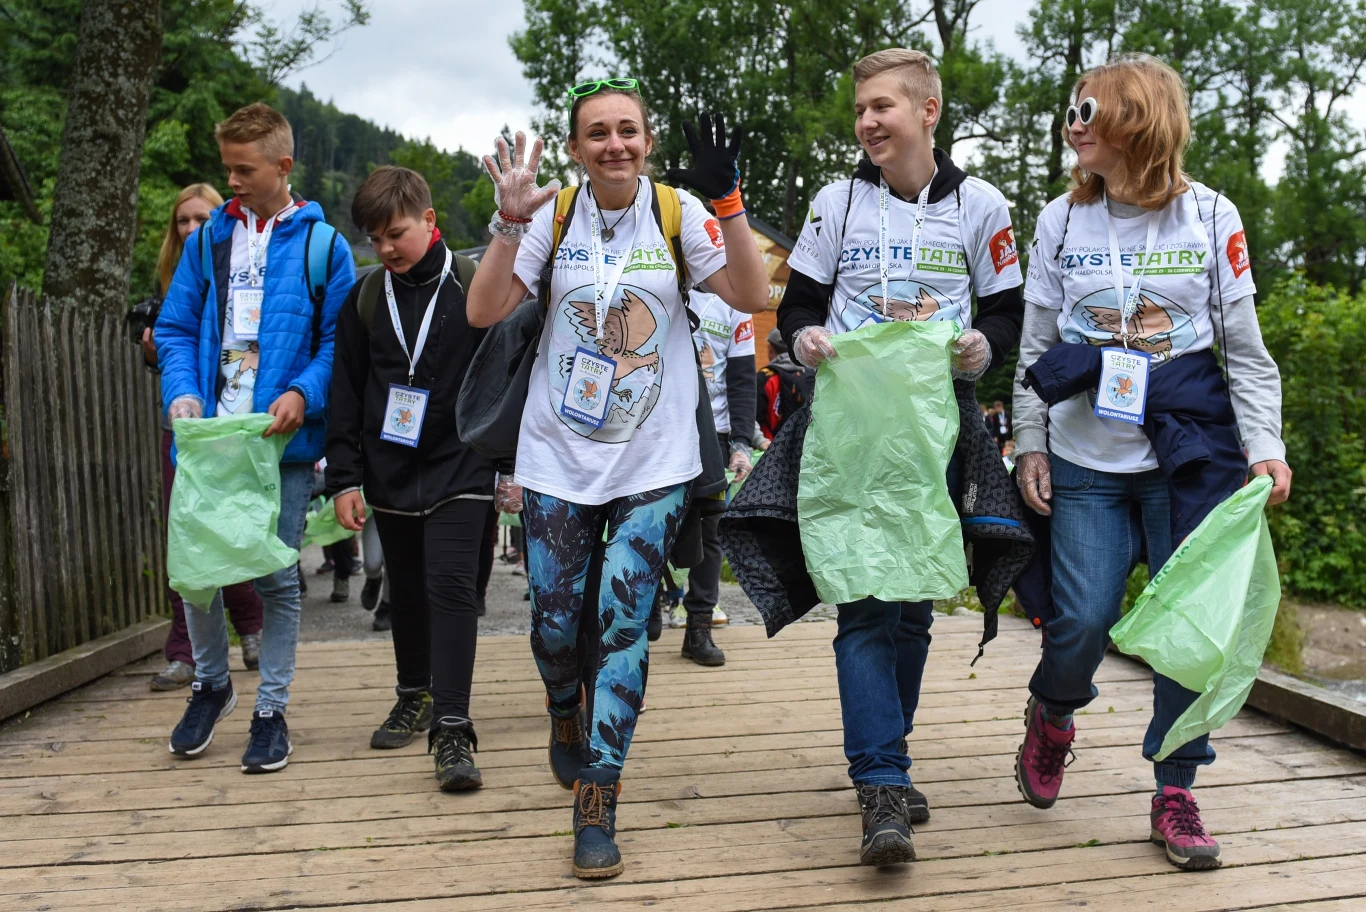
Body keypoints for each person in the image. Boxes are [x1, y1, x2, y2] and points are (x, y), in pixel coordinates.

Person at [467, 78, 768, 878]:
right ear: (575, 147)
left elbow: (750, 295)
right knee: (555, 624)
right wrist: (508, 222)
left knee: (624, 624)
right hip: (557, 456)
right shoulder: (553, 215)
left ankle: (598, 797)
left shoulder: (678, 212)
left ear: (648, 140)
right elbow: (484, 311)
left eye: (627, 130)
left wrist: (730, 203)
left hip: (654, 460)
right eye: (597, 132)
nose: (614, 144)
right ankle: (562, 709)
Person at [1012, 53, 1292, 871]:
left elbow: (1245, 350)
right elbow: (1036, 346)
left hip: (1189, 456)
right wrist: (1030, 442)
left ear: (1137, 120)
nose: (1073, 125)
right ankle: (1053, 710)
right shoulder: (1061, 221)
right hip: (1085, 457)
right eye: (1072, 110)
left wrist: (1266, 447)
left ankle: (1176, 788)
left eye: (1088, 111)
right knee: (1081, 621)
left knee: (1191, 628)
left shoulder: (1210, 215)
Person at [777, 49, 1024, 865]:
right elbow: (799, 304)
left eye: (882, 106)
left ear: (928, 110)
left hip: (937, 427)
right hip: (849, 428)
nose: (867, 122)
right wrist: (803, 339)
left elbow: (1010, 310)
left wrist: (983, 346)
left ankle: (891, 749)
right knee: (863, 598)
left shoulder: (982, 205)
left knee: (914, 603)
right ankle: (880, 783)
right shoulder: (836, 202)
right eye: (860, 111)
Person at [157, 102, 356, 773]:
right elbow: (175, 327)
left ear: (283, 165)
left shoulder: (324, 246)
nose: (232, 181)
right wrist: (182, 391)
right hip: (212, 438)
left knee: (275, 576)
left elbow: (339, 344)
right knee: (196, 571)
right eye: (227, 168)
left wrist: (303, 391)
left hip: (282, 443)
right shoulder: (207, 242)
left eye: (244, 169)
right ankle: (210, 684)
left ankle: (271, 710)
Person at [327, 166, 495, 789]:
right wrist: (344, 479)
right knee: (406, 590)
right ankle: (412, 694)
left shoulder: (475, 284)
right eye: (374, 239)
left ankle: (452, 727)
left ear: (429, 220)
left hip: (461, 465)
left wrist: (509, 466)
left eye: (395, 234)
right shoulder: (366, 298)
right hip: (390, 468)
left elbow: (504, 378)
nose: (386, 249)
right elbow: (346, 392)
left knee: (451, 588)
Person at [141, 183, 266, 692]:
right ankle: (184, 650)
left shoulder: (241, 265)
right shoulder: (168, 281)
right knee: (185, 534)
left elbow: (249, 342)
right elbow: (169, 348)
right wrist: (155, 353)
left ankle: (251, 625)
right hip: (183, 425)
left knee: (231, 528)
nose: (192, 228)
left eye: (201, 218)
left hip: (232, 418)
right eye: (183, 220)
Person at [667, 290, 757, 662]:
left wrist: (741, 442)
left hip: (713, 434)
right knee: (652, 522)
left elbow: (742, 379)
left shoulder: (735, 302)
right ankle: (646, 610)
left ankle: (699, 627)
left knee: (710, 532)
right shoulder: (669, 282)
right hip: (662, 428)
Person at [756, 327, 814, 442]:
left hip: (770, 447)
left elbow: (755, 417)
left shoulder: (765, 376)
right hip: (804, 446)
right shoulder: (812, 373)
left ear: (770, 348)